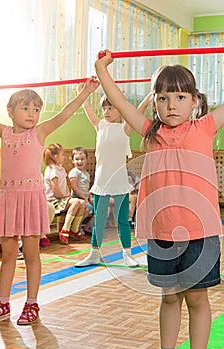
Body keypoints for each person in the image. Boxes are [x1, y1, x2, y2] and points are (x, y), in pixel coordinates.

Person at [95, 44, 224, 349]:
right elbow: (118, 99)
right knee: (169, 298)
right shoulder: (148, 131)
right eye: (163, 98)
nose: (172, 106)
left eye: (180, 97)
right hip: (161, 231)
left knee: (197, 299)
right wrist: (102, 68)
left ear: (194, 101)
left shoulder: (205, 127)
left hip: (200, 232)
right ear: (154, 102)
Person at [0, 77, 99, 325]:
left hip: (30, 199)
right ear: (10, 112)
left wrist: (86, 91)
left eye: (36, 109)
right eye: (25, 108)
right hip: (8, 198)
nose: (32, 113)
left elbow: (64, 114)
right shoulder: (4, 131)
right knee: (8, 254)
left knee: (31, 254)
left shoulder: (39, 133)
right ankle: (3, 302)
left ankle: (32, 304)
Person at [74, 84, 151, 268]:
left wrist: (150, 95)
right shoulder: (99, 126)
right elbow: (87, 108)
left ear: (119, 109)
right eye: (104, 108)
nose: (106, 112)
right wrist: (81, 93)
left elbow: (139, 110)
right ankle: (94, 254)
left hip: (119, 182)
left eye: (111, 107)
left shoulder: (125, 128)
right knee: (98, 220)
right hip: (101, 181)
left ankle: (127, 254)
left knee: (122, 220)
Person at [43, 143, 87, 245]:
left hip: (62, 199)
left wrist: (68, 195)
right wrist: (65, 196)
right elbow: (55, 189)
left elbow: (65, 186)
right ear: (55, 156)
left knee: (82, 203)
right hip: (54, 200)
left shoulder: (60, 169)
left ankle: (74, 230)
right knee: (76, 202)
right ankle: (65, 230)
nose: (64, 157)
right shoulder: (52, 170)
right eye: (62, 155)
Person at [68, 146, 93, 233]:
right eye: (77, 159)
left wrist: (90, 197)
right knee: (88, 209)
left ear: (86, 159)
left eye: (82, 159)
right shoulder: (74, 172)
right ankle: (76, 225)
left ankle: (88, 225)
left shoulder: (86, 174)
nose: (80, 161)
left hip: (85, 199)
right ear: (73, 161)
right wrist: (84, 198)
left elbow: (87, 188)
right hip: (78, 199)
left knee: (97, 207)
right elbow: (74, 187)